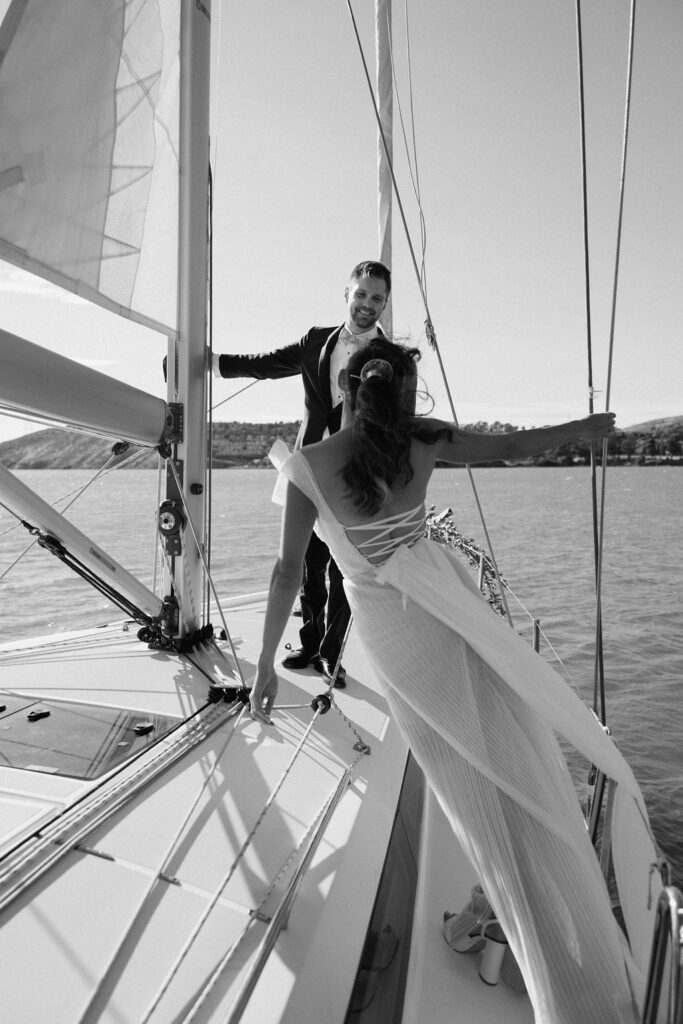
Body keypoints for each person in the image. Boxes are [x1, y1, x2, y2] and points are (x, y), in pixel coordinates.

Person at [249, 337, 647, 1024]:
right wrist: (583, 430)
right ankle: (520, 906)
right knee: (507, 748)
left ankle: (505, 910)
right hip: (453, 608)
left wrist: (262, 665)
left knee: (461, 780)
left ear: (343, 390)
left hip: (397, 637)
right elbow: (514, 450)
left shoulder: (306, 470)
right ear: (407, 395)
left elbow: (288, 574)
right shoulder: (423, 442)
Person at [214, 260, 393, 687]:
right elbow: (268, 364)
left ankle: (333, 655)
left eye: (378, 299)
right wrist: (215, 363)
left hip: (355, 472)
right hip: (309, 466)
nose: (368, 305)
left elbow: (396, 423)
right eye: (362, 294)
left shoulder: (392, 358)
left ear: (385, 304)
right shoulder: (316, 341)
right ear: (346, 293)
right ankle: (309, 643)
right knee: (308, 564)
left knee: (342, 566)